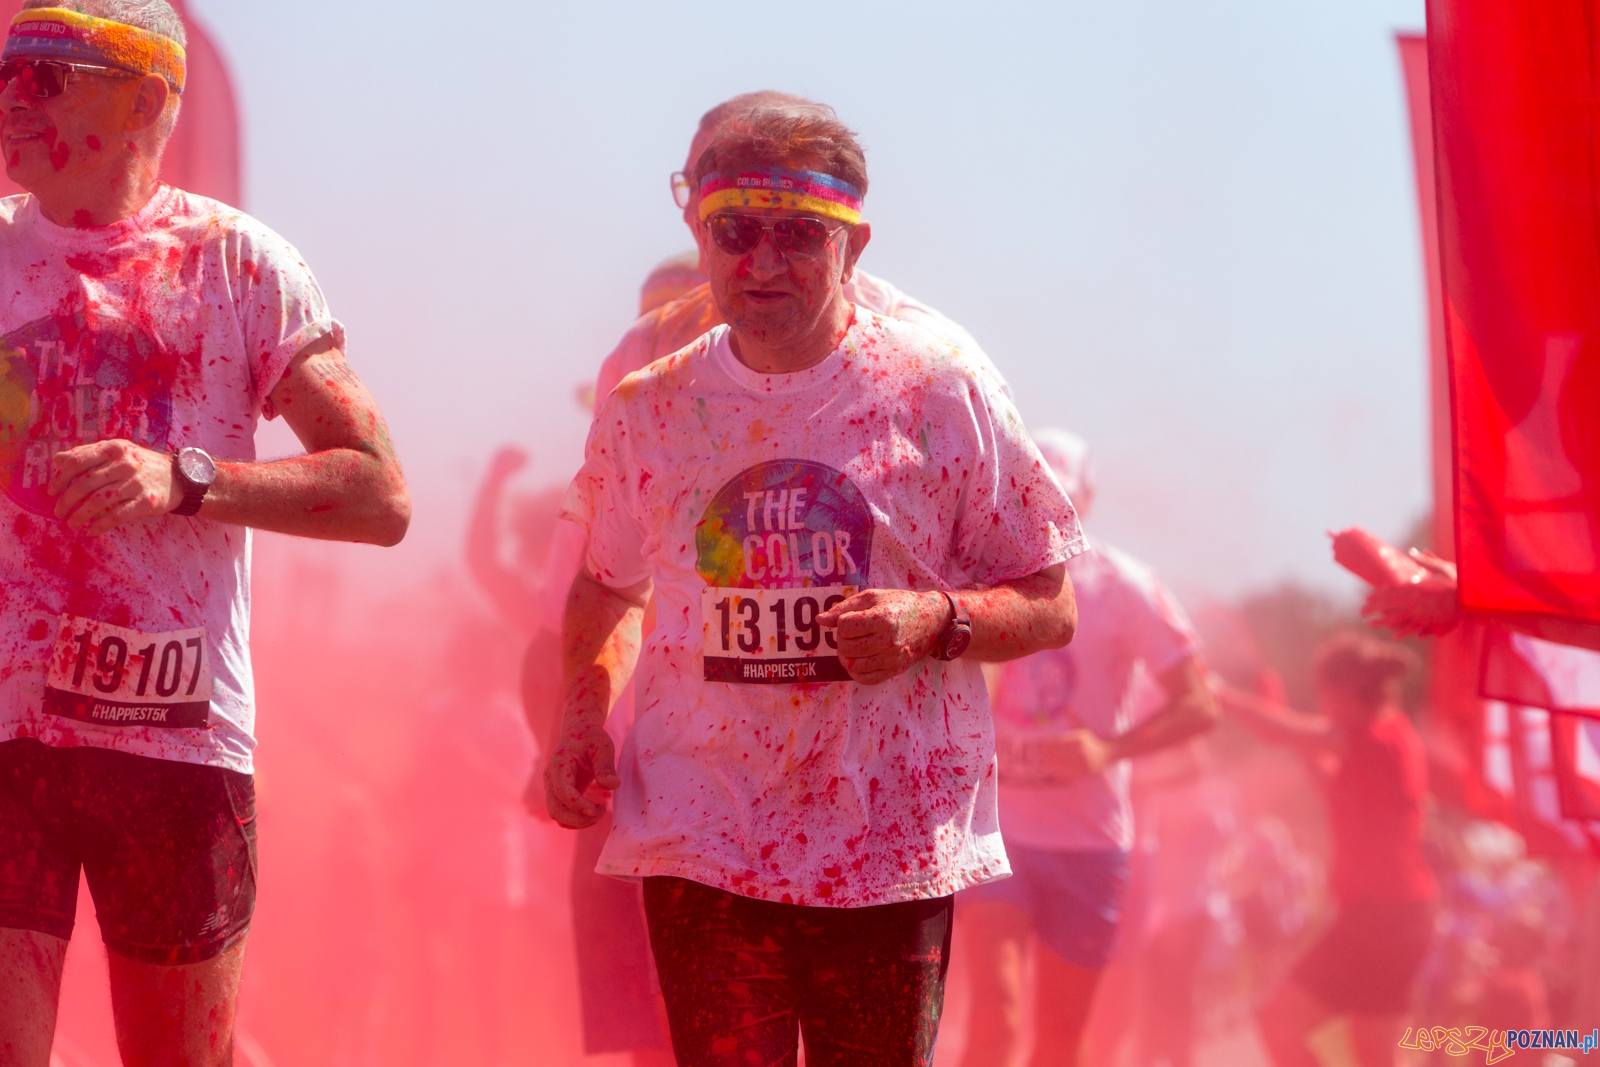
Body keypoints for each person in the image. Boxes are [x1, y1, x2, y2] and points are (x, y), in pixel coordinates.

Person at [547, 105, 1081, 1066]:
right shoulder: (648, 405)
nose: (761, 261)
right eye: (736, 231)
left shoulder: (939, 384)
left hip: (887, 840)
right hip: (702, 833)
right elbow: (601, 587)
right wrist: (580, 717)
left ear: (854, 243)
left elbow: (1051, 601)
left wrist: (938, 619)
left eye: (799, 234)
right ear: (701, 235)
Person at [0, 3, 410, 1064]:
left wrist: (183, 481)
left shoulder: (238, 264)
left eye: (51, 75)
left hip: (172, 740)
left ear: (148, 99)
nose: (14, 96)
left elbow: (378, 492)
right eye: (7, 70)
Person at [958, 429, 1218, 1067]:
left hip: (1091, 844)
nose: (1044, 514)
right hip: (999, 838)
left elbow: (1199, 706)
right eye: (1030, 495)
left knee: (1058, 1042)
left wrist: (1109, 750)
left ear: (1087, 501)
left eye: (1061, 500)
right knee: (995, 1018)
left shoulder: (1127, 586)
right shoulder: (981, 576)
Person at [591, 90, 1009, 406]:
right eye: (695, 185)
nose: (695, 211)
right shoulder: (646, 355)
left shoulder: (936, 369)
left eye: (796, 230)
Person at [1219, 634, 1438, 1067]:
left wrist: (1215, 690)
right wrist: (1283, 724)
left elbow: (1277, 731)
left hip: (1381, 915)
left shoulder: (1369, 735)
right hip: (1404, 915)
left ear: (1336, 691)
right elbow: (1325, 780)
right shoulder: (1388, 736)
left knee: (1277, 1023)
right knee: (1373, 1056)